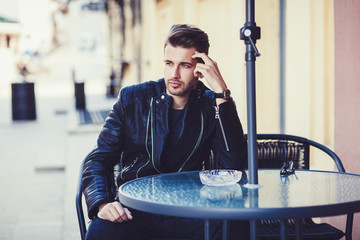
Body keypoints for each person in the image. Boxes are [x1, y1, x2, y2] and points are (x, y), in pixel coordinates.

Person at [82, 24, 249, 240]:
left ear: (200, 68)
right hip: (135, 210)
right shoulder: (132, 99)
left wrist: (221, 92)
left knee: (236, 227)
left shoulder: (211, 104)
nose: (174, 74)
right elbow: (98, 159)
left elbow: (233, 165)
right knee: (100, 231)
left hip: (189, 211)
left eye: (185, 65)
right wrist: (103, 203)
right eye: (169, 63)